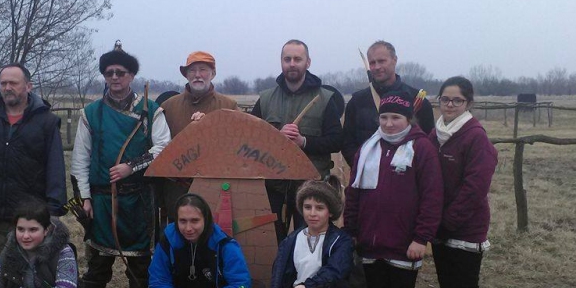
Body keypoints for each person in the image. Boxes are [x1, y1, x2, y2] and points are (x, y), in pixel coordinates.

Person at [70, 43, 171, 288]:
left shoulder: (151, 110)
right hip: (102, 201)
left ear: (131, 75)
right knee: (98, 264)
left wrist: (132, 166)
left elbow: (163, 148)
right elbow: (80, 158)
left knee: (140, 265)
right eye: (109, 72)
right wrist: (84, 199)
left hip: (138, 199)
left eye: (121, 72)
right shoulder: (92, 113)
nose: (115, 78)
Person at [344, 91, 443, 288]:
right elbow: (354, 193)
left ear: (408, 119)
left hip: (405, 242)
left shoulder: (421, 149)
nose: (388, 124)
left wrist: (421, 237)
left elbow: (432, 197)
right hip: (371, 240)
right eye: (384, 117)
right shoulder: (368, 148)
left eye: (396, 118)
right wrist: (352, 229)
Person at [423, 76, 498, 288]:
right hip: (439, 227)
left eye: (457, 100)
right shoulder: (435, 134)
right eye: (445, 99)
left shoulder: (474, 137)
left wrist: (448, 222)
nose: (450, 105)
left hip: (464, 229)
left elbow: (474, 188)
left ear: (468, 103)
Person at [0, 63, 67, 263]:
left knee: (31, 272)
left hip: (31, 215)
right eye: (3, 83)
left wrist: (53, 211)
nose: (7, 87)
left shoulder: (46, 121)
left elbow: (56, 168)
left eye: (13, 83)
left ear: (28, 86)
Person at [251, 39, 343, 242]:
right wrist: (276, 138)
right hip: (272, 188)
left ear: (308, 62)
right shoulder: (265, 99)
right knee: (272, 242)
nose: (292, 63)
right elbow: (250, 141)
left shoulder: (325, 99)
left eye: (297, 59)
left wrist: (304, 142)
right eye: (287, 59)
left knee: (309, 242)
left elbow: (337, 141)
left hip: (311, 187)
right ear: (281, 62)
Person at [159, 51, 238, 220]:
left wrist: (210, 127)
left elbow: (237, 146)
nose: (197, 75)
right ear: (186, 75)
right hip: (176, 189)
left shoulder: (229, 106)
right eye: (192, 71)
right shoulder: (168, 107)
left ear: (213, 74)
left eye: (203, 69)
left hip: (214, 186)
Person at [341, 40, 435, 167]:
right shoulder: (357, 102)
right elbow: (347, 142)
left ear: (394, 60)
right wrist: (362, 167)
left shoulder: (417, 100)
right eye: (372, 63)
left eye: (381, 61)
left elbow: (428, 143)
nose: (377, 67)